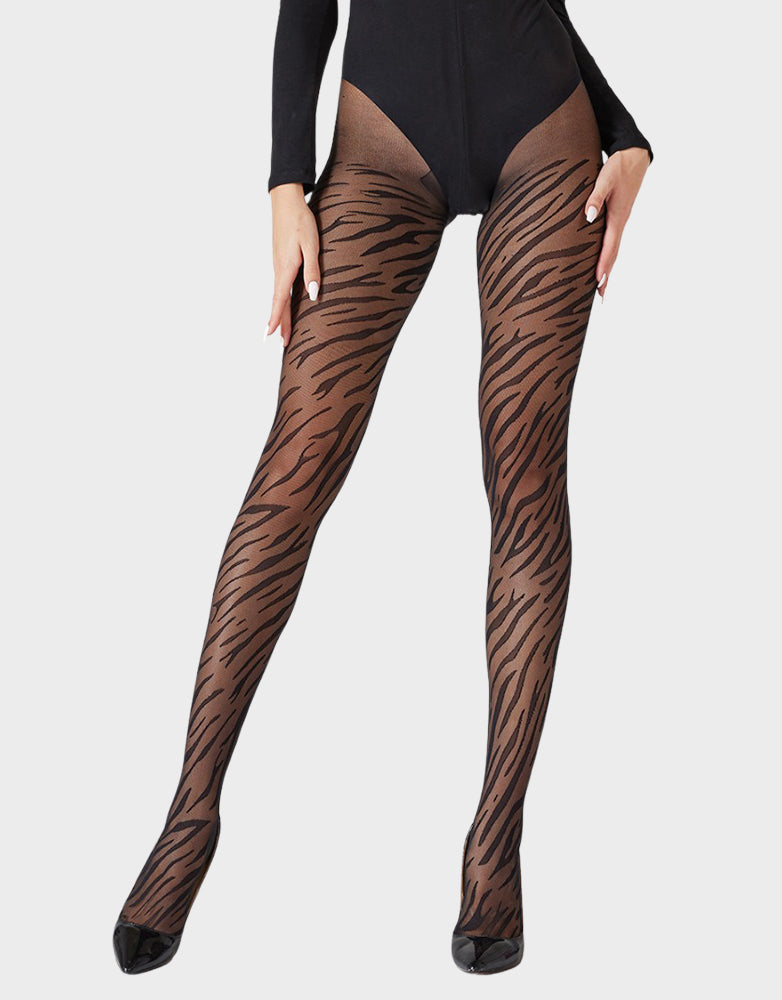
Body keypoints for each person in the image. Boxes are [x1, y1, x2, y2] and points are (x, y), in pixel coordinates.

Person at [113, 0, 653, 977]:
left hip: (545, 132)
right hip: (380, 140)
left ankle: (494, 844)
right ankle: (189, 819)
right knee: (294, 465)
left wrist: (624, 132)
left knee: (524, 470)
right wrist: (286, 181)